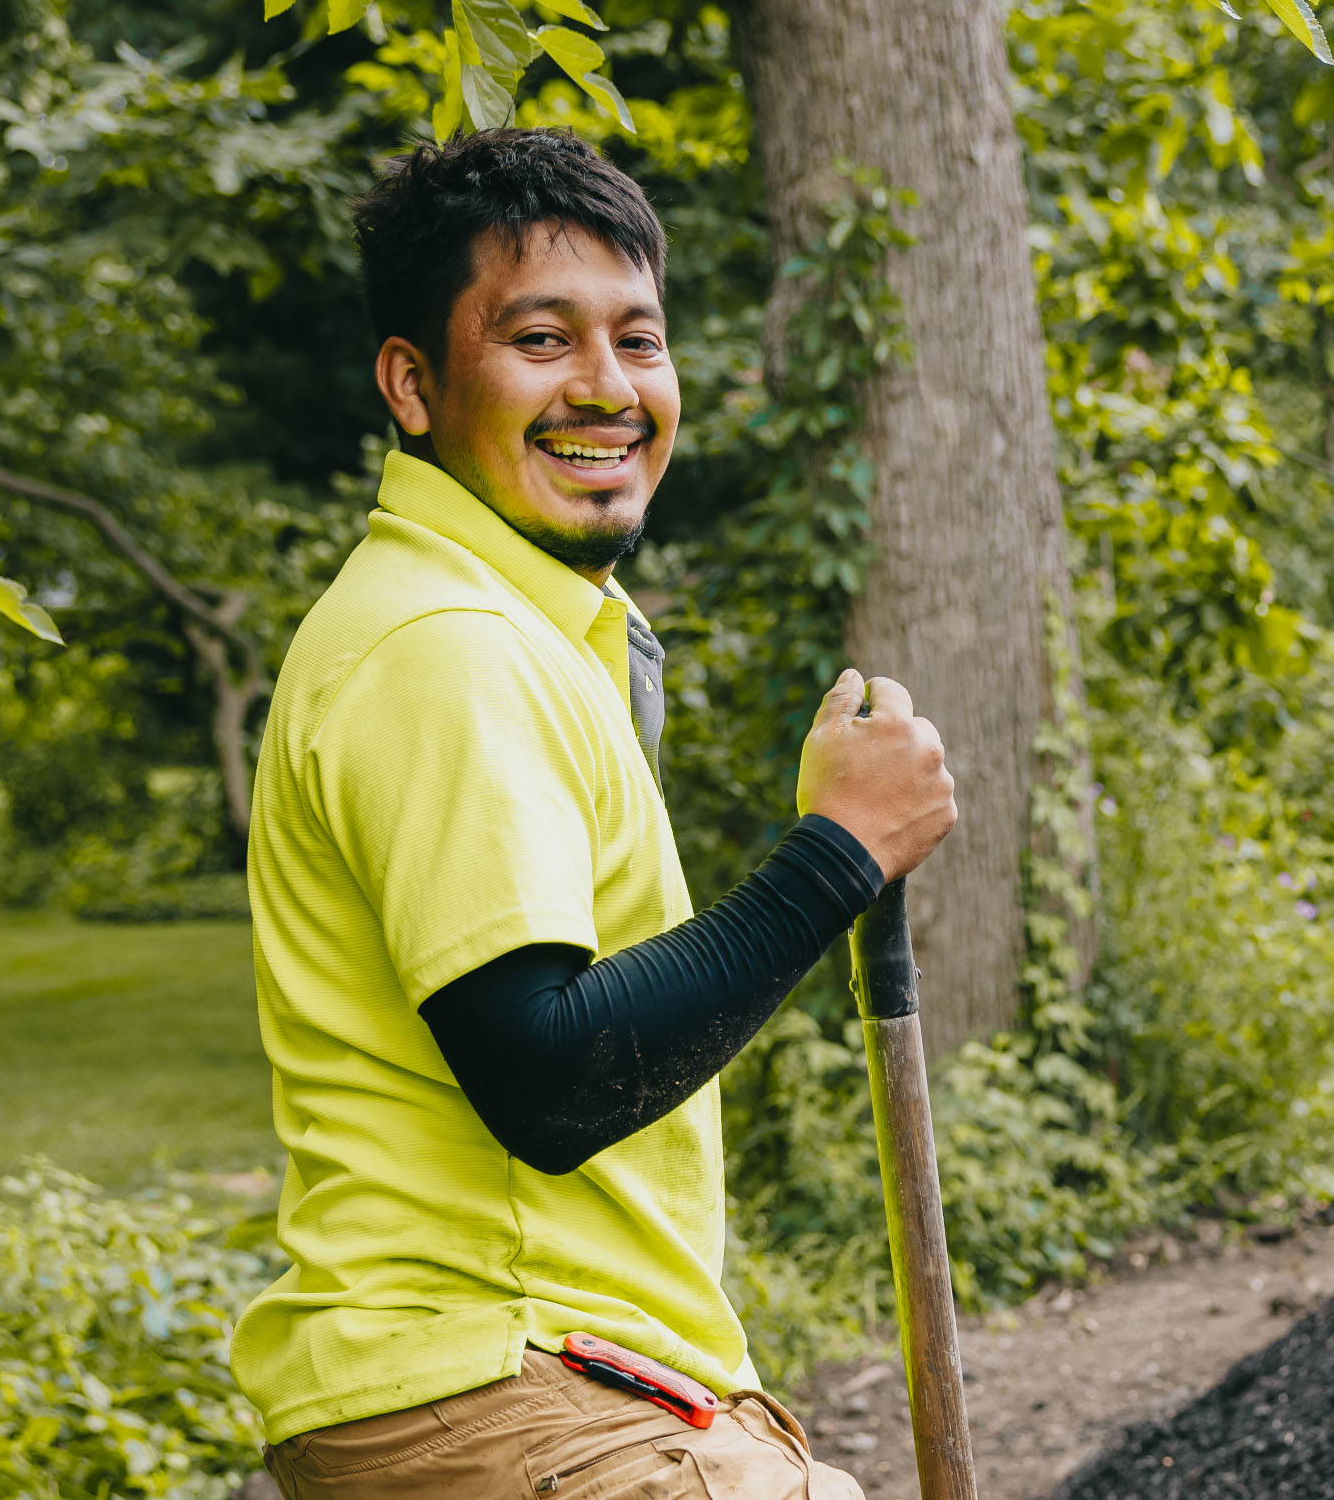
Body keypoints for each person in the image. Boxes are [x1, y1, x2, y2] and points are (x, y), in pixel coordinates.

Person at [233, 126, 957, 1499]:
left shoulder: (524, 624)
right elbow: (548, 1077)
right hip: (496, 1372)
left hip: (554, 1369)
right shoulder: (443, 644)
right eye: (540, 340)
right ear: (411, 383)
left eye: (638, 339)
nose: (606, 388)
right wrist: (837, 854)